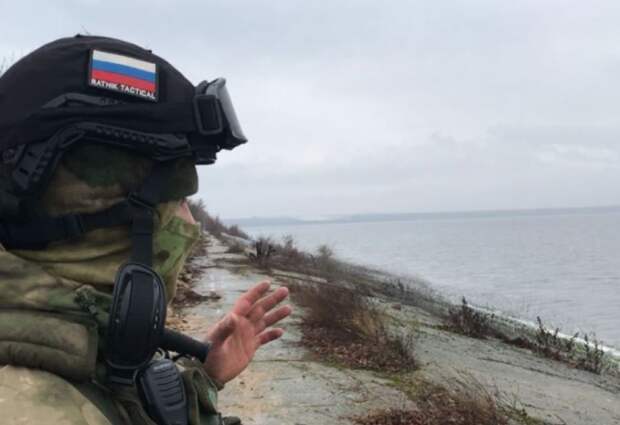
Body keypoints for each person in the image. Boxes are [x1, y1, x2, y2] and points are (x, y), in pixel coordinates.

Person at [0, 35, 292, 424]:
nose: (191, 224)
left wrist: (205, 379)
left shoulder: (79, 353)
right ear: (105, 223)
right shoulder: (33, 410)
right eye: (179, 201)